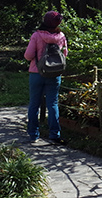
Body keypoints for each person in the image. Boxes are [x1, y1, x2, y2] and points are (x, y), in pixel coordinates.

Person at [24, 10, 68, 143]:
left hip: (36, 73)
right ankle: (54, 134)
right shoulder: (61, 36)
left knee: (34, 104)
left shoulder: (36, 35)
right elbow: (64, 55)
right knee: (53, 104)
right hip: (54, 74)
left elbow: (28, 56)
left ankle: (33, 134)